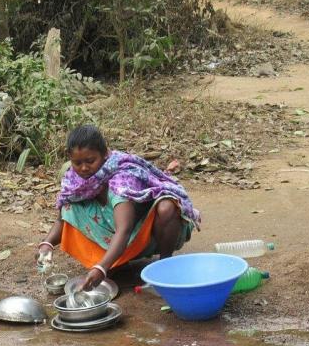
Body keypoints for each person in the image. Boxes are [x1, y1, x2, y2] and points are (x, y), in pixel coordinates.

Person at [37, 124, 200, 291]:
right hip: (119, 236)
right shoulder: (74, 180)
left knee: (167, 208)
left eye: (90, 161)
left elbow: (124, 229)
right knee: (69, 207)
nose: (84, 168)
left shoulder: (122, 177)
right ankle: (116, 262)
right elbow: (61, 219)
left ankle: (164, 268)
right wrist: (47, 244)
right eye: (77, 163)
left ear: (105, 154)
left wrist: (101, 268)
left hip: (148, 234)